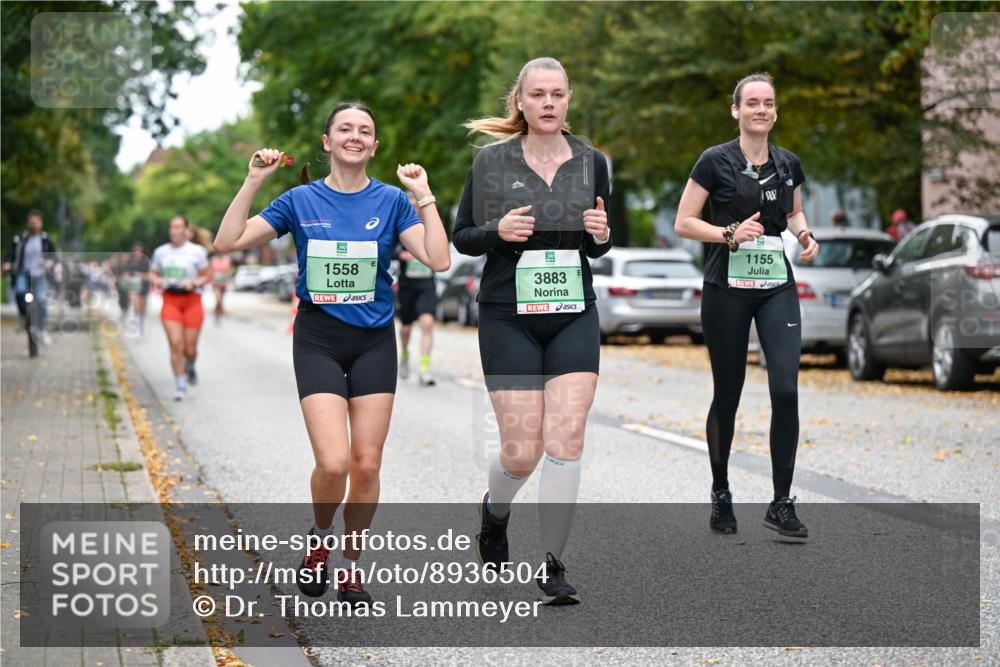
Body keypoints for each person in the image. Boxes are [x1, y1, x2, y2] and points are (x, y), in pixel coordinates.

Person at [214, 102, 449, 607]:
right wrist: (254, 179)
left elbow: (439, 258)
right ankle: (320, 539)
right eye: (345, 128)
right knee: (335, 461)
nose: (355, 136)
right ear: (327, 141)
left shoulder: (391, 201)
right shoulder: (299, 200)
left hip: (373, 343)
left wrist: (424, 196)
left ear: (374, 146)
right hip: (318, 339)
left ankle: (350, 566)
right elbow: (226, 241)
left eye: (365, 130)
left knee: (366, 466)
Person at [454, 57, 611, 605]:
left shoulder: (592, 161)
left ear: (569, 100)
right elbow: (463, 237)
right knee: (522, 452)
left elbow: (598, 242)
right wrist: (497, 231)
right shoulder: (492, 161)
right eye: (538, 94)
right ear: (519, 101)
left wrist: (600, 234)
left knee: (566, 440)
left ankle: (554, 564)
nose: (549, 103)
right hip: (508, 314)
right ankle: (495, 513)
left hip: (573, 311)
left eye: (558, 94)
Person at [675, 72, 819, 540]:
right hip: (727, 284)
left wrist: (803, 234)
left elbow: (793, 210)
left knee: (786, 387)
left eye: (768, 103)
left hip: (776, 282)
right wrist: (729, 234)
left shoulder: (788, 163)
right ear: (735, 110)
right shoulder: (713, 161)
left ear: (776, 112)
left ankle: (781, 502)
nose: (760, 109)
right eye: (751, 102)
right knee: (729, 392)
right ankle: (721, 491)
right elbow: (683, 222)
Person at [150, 216, 211, 401]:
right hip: (170, 300)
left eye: (178, 227)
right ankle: (180, 383)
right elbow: (152, 272)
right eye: (172, 227)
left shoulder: (197, 252)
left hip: (192, 300)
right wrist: (157, 280)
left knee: (189, 349)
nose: (174, 231)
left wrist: (193, 283)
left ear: (185, 230)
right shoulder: (161, 252)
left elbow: (207, 276)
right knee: (176, 344)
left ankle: (190, 364)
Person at [395, 196, 439, 385]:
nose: (415, 207)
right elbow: (387, 248)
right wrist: (400, 254)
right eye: (412, 204)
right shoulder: (400, 223)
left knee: (427, 323)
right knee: (406, 328)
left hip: (426, 283)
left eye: (417, 204)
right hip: (407, 284)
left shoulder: (431, 223)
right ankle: (404, 354)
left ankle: (424, 369)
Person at [4, 210, 57, 345]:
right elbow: (10, 254)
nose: (33, 225)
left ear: (41, 223)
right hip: (23, 273)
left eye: (36, 222)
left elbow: (54, 256)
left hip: (40, 275)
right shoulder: (20, 239)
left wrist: (50, 262)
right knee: (20, 292)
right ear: (28, 223)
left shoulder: (46, 239)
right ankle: (23, 316)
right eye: (31, 222)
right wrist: (7, 264)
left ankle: (42, 330)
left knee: (41, 299)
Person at [124, 241, 151, 335]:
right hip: (133, 286)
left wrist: (140, 275)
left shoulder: (146, 261)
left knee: (142, 308)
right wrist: (127, 277)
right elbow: (125, 273)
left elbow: (150, 275)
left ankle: (140, 325)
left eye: (139, 250)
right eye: (135, 250)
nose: (137, 252)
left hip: (144, 286)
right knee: (136, 305)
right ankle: (136, 327)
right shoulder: (129, 261)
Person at [208, 251, 234, 325]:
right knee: (218, 300)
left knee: (221, 301)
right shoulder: (213, 260)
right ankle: (217, 314)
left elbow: (231, 269)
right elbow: (209, 270)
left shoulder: (228, 259)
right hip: (215, 283)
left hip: (224, 284)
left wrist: (227, 274)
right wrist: (211, 276)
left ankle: (218, 315)